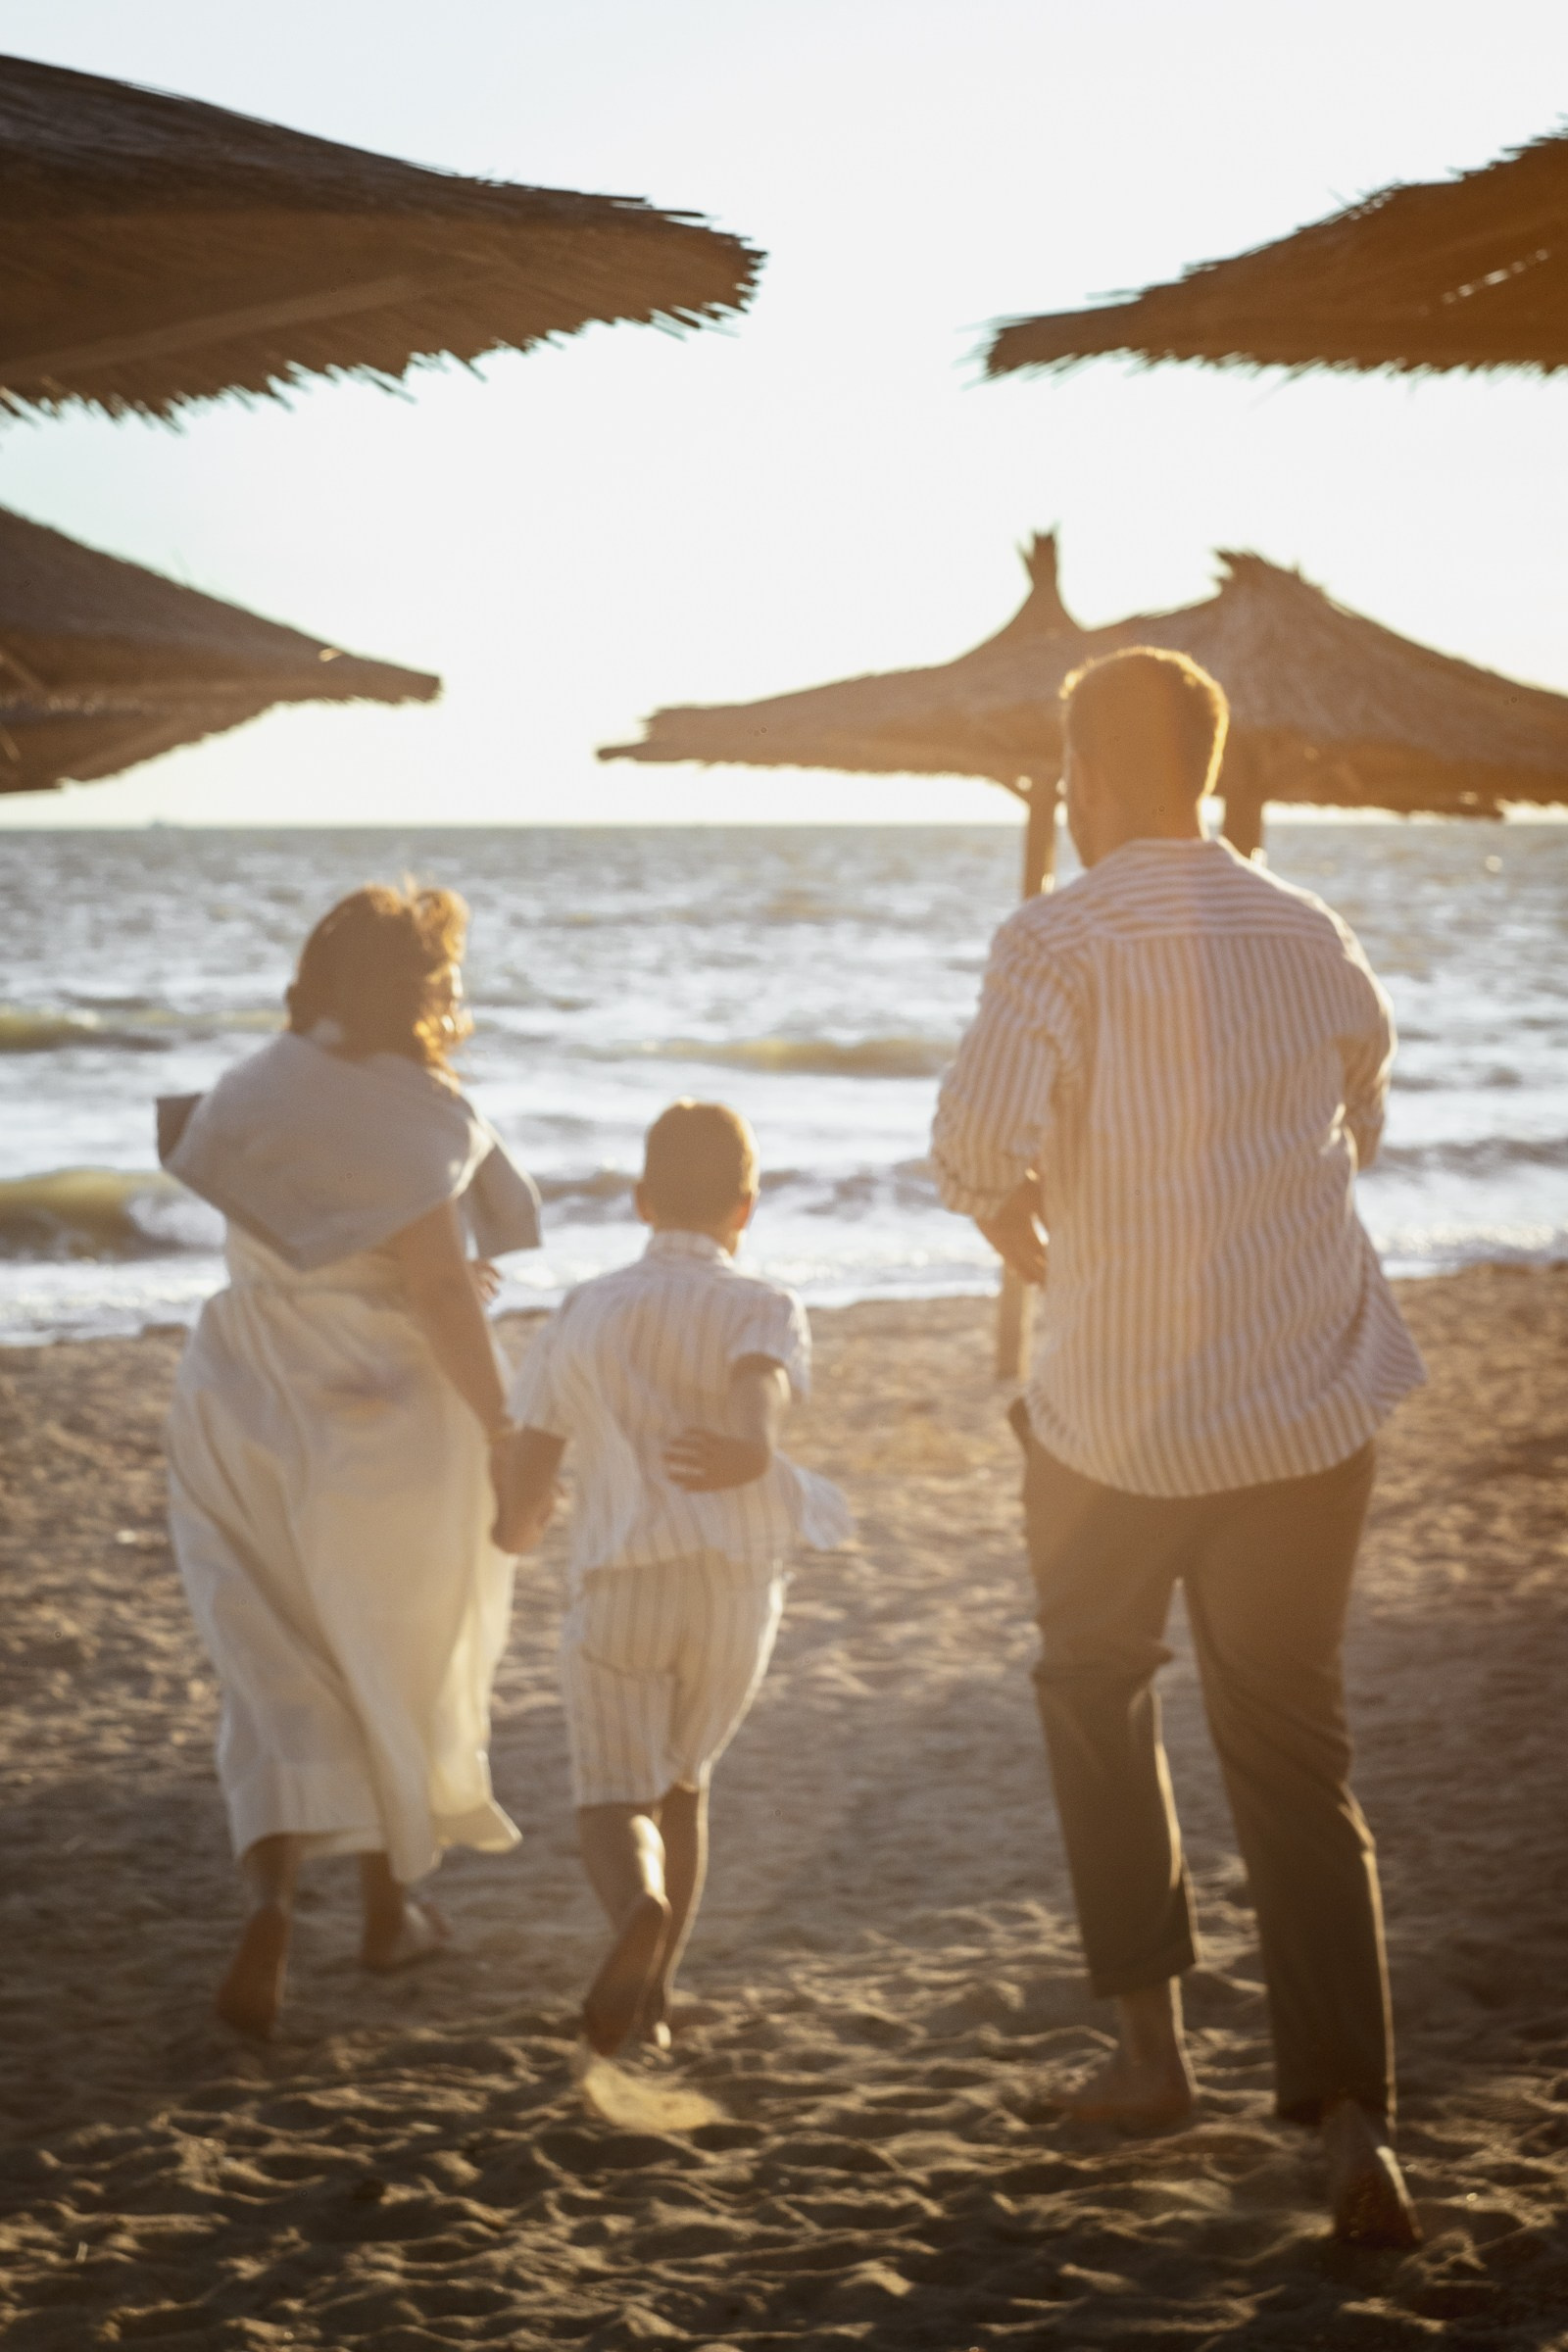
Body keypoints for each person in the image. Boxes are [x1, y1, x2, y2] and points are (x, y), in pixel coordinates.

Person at [930, 648, 1426, 2247]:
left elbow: (970, 1146)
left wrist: (1027, 1232)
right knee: (1295, 1750)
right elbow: (1364, 1114)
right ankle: (1354, 2126)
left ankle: (1151, 2054)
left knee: (1093, 1688)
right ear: (1205, 772)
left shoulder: (1059, 933)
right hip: (1306, 1395)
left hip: (1117, 1417)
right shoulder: (1308, 927)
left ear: (1085, 776)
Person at [161, 883, 542, 2039]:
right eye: (449, 974)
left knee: (271, 1654)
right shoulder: (414, 1114)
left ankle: (271, 1904)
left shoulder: (256, 1087)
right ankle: (387, 1913)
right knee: (399, 1649)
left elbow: (292, 1230)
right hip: (371, 1405)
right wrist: (506, 1431)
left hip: (238, 1384)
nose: (459, 994)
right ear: (416, 992)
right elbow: (428, 1285)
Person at [492, 1100, 850, 2058]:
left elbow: (534, 1446)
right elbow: (758, 1380)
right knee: (685, 1787)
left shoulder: (584, 1309)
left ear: (642, 1201)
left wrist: (515, 1523)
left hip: (622, 1578)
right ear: (747, 1207)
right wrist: (749, 1445)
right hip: (735, 1583)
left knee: (616, 1797)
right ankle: (652, 2002)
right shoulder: (762, 1302)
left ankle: (635, 1914)